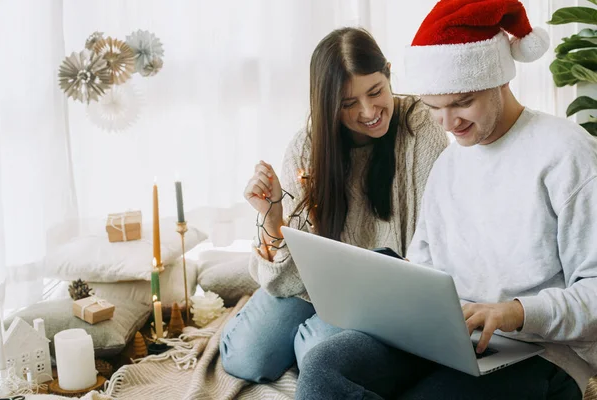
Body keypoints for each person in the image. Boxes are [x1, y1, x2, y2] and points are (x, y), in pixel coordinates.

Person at [295, 1, 597, 399]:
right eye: (435, 108)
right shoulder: (450, 163)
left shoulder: (566, 152)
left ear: (500, 79)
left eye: (462, 103)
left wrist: (515, 312)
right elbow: (425, 266)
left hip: (540, 353)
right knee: (322, 368)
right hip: (449, 337)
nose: (450, 123)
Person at [219, 27, 450, 384]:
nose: (369, 111)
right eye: (348, 104)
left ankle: (307, 337)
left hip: (381, 293)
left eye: (376, 92)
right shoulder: (307, 148)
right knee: (246, 358)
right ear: (327, 104)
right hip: (314, 284)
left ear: (388, 73)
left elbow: (432, 244)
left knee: (318, 358)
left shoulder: (421, 128)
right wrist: (272, 217)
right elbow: (286, 281)